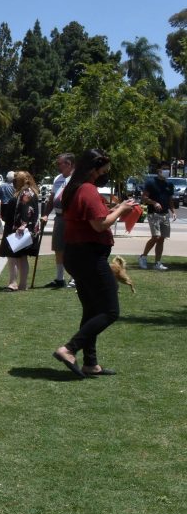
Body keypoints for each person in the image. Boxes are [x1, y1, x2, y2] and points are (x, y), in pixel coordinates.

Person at [53, 148, 136, 378]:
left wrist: (113, 210)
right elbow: (99, 225)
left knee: (91, 310)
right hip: (89, 256)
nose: (105, 175)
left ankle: (90, 363)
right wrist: (122, 209)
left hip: (77, 255)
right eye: (103, 170)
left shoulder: (75, 188)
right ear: (93, 169)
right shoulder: (87, 189)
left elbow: (93, 218)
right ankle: (69, 349)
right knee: (110, 311)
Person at [0, 171, 39, 291]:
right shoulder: (30, 191)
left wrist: (23, 225)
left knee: (12, 257)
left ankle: (13, 283)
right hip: (24, 230)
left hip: (19, 230)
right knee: (22, 257)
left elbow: (26, 209)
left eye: (16, 179)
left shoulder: (26, 192)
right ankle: (22, 284)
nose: (14, 181)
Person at [42, 153, 75, 288]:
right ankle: (60, 278)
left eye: (59, 164)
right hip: (59, 217)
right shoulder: (58, 179)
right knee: (58, 248)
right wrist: (45, 214)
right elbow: (52, 199)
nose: (58, 166)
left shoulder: (77, 179)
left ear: (68, 164)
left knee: (72, 248)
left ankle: (74, 278)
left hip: (72, 219)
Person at [139, 160, 176, 270]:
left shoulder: (169, 184)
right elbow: (144, 198)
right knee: (156, 237)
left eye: (168, 169)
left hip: (165, 214)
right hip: (153, 213)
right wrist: (154, 203)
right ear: (158, 170)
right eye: (164, 169)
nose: (166, 171)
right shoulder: (151, 182)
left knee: (161, 239)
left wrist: (173, 211)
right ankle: (143, 257)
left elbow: (170, 199)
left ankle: (157, 263)